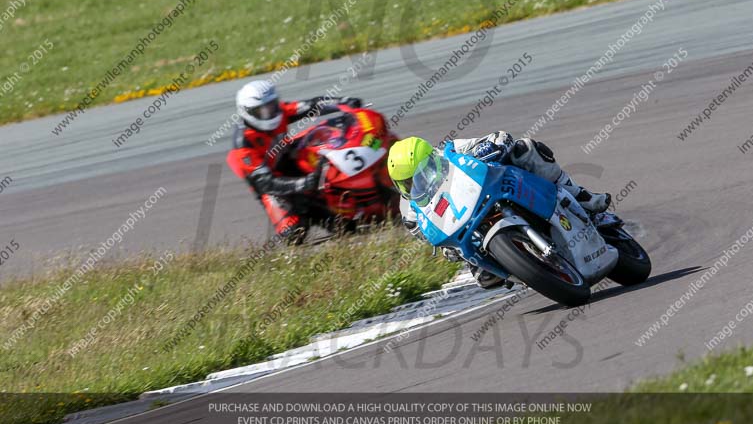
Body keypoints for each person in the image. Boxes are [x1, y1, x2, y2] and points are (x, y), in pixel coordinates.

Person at [386, 132, 611, 289]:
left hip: (492, 190)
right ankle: (509, 264)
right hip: (466, 228)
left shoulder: (452, 150)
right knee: (484, 278)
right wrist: (449, 250)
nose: (415, 185)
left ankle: (581, 196)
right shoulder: (409, 212)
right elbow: (428, 236)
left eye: (420, 174)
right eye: (406, 184)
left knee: (524, 149)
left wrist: (493, 145)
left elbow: (499, 138)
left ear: (432, 158)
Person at [226, 80, 362, 243]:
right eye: (262, 111)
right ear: (248, 112)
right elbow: (266, 184)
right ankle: (312, 209)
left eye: (272, 106)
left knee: (325, 153)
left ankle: (353, 184)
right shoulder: (244, 145)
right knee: (294, 233)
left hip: (288, 159)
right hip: (272, 185)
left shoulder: (279, 111)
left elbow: (310, 105)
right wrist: (303, 184)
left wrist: (342, 102)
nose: (270, 113)